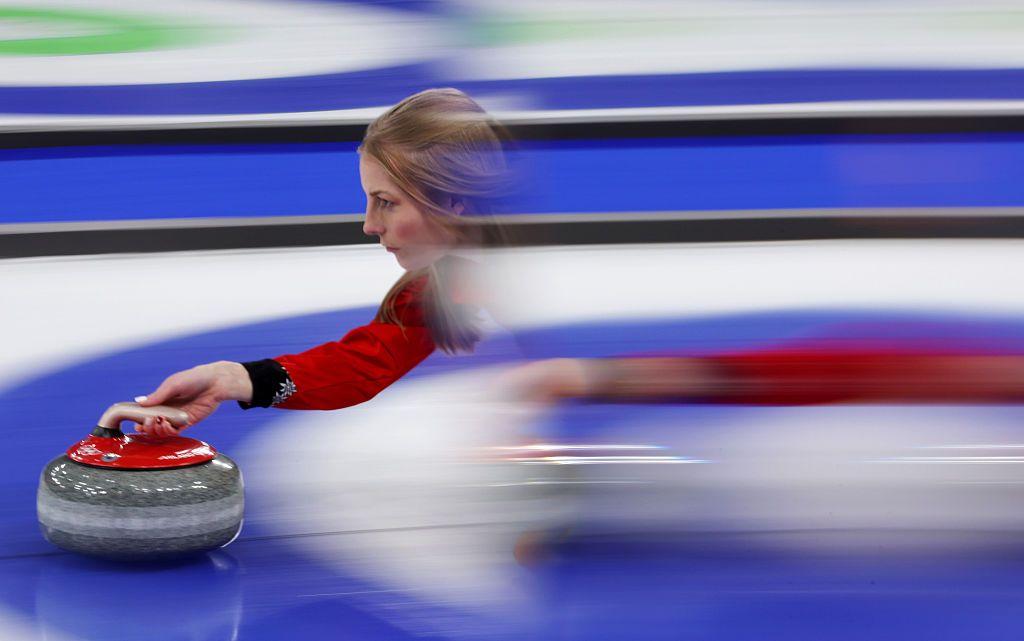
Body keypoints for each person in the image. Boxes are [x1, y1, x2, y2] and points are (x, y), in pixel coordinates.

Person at [135, 88, 510, 436]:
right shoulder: (434, 289)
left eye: (387, 202)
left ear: (452, 200)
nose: (370, 225)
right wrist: (230, 379)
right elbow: (359, 367)